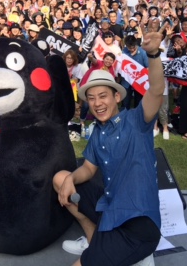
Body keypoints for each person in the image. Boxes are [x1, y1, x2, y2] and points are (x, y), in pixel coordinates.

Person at [53, 32, 164, 266]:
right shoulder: (97, 131)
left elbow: (155, 90)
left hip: (137, 223)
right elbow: (89, 169)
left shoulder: (137, 120)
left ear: (116, 96)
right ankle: (95, 240)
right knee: (61, 178)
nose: (97, 103)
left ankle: (135, 255)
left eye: (103, 96)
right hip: (110, 207)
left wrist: (153, 54)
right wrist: (71, 178)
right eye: (91, 98)